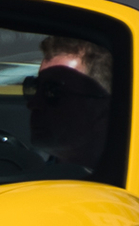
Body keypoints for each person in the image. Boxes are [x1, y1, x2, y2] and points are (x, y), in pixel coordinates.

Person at [26, 36, 113, 171]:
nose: (34, 103)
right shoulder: (24, 176)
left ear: (103, 107)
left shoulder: (134, 181)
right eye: (34, 87)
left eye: (54, 92)